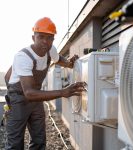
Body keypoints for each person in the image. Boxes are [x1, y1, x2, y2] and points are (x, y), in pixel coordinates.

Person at [4, 17, 85, 150]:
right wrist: (62, 92)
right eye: (40, 37)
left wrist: (70, 63)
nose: (45, 42)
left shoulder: (50, 50)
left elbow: (58, 59)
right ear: (33, 37)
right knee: (15, 144)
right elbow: (29, 93)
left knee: (39, 140)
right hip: (20, 98)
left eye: (49, 38)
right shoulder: (23, 57)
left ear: (53, 39)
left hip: (36, 98)